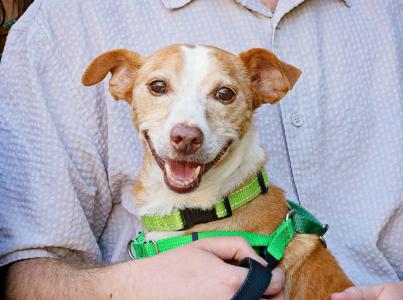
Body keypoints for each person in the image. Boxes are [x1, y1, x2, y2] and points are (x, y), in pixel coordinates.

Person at [0, 0, 402, 299]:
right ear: (121, 82)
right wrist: (133, 287)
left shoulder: (390, 14)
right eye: (159, 87)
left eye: (223, 94)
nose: (187, 131)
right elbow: (18, 272)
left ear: (266, 84)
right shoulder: (67, 21)